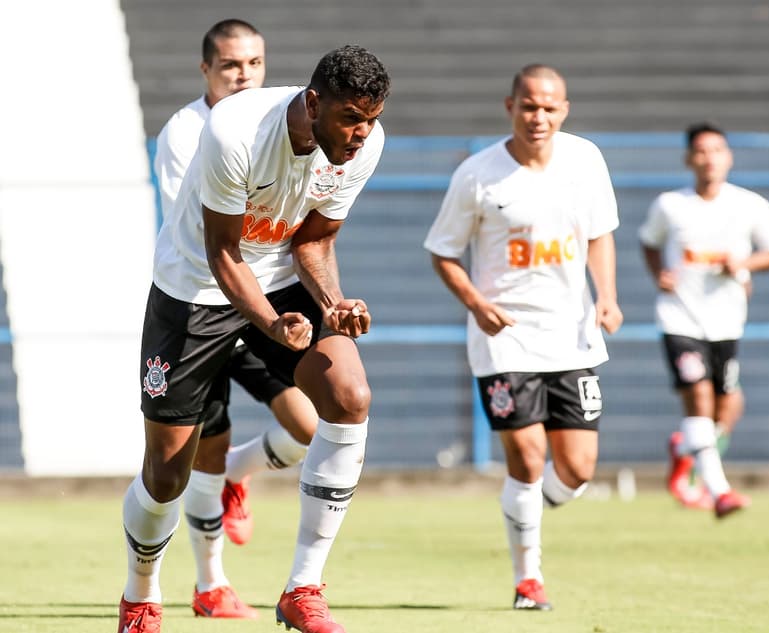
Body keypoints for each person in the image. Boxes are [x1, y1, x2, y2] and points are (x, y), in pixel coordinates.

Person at [119, 44, 390, 633]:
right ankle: (141, 594)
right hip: (194, 289)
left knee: (349, 397)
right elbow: (222, 251)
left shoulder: (363, 145)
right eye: (350, 118)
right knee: (167, 475)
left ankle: (303, 588)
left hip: (280, 281)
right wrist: (269, 323)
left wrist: (331, 304)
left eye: (371, 120)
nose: (362, 134)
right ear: (314, 103)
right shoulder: (235, 128)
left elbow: (313, 243)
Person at [424, 64, 623, 611]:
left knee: (577, 470)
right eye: (529, 106)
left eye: (550, 107)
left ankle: (527, 506)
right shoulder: (477, 174)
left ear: (565, 110)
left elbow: (601, 233)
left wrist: (606, 294)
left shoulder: (585, 160)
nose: (539, 117)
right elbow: (443, 251)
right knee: (528, 456)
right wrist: (477, 305)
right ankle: (528, 578)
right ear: (509, 106)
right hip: (504, 338)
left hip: (573, 335)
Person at [151, 19, 319, 619]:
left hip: (265, 299)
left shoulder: (281, 121)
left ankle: (234, 481)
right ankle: (209, 584)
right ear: (206, 70)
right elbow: (200, 228)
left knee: (308, 425)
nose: (244, 74)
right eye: (230, 65)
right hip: (206, 298)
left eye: (253, 62)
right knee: (204, 452)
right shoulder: (187, 132)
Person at [639, 121, 769, 518]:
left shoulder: (749, 204)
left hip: (726, 322)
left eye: (718, 150)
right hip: (680, 319)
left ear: (729, 157)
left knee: (729, 406)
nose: (710, 159)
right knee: (699, 398)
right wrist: (660, 274)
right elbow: (649, 242)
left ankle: (686, 448)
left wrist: (744, 264)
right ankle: (719, 491)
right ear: (690, 159)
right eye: (702, 151)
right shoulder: (671, 204)